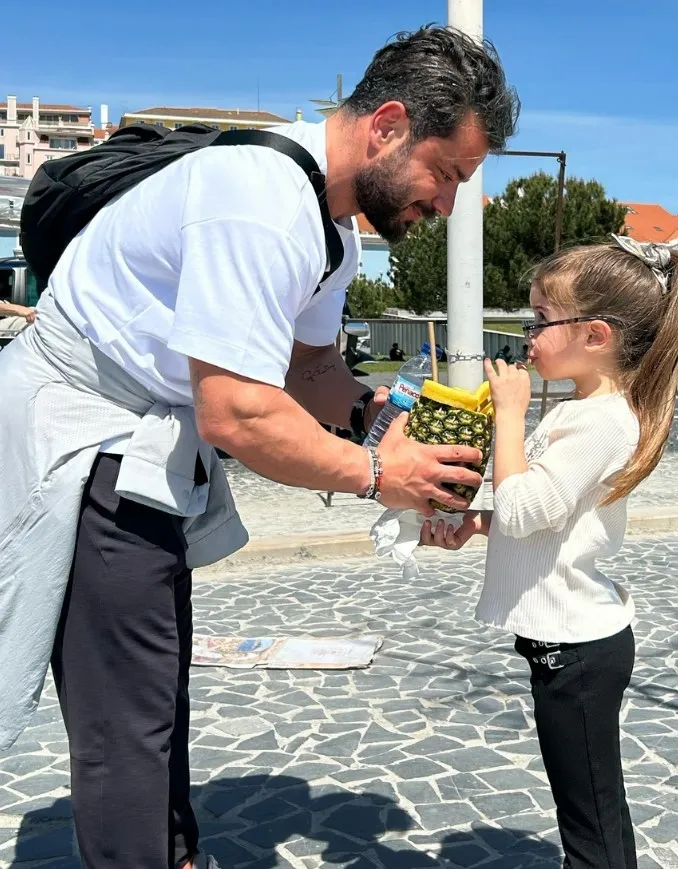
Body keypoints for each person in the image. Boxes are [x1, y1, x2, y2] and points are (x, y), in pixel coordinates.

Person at [0, 26, 519, 869]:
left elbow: (304, 367)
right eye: (447, 174)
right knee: (126, 707)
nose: (448, 204)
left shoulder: (331, 230)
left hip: (139, 442)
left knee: (154, 683)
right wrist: (383, 473)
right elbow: (238, 413)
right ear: (386, 125)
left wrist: (380, 420)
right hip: (84, 433)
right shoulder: (259, 198)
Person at [421, 236, 678, 869]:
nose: (527, 334)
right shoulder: (582, 411)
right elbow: (543, 515)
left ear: (595, 334)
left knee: (591, 825)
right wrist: (478, 525)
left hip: (579, 650)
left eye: (541, 319)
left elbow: (526, 507)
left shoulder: (603, 421)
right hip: (567, 645)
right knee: (592, 808)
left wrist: (508, 420)